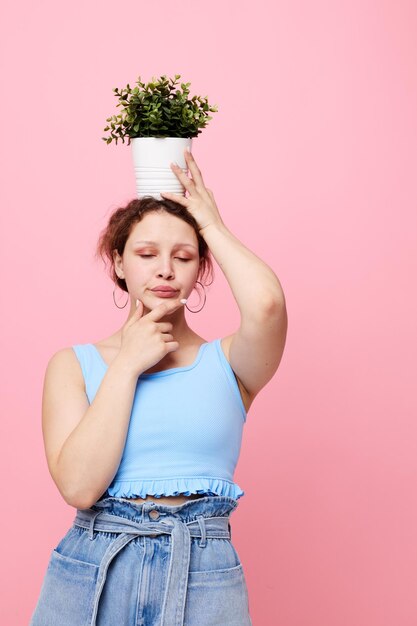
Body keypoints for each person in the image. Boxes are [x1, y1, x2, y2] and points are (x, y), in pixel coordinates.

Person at [30, 149, 288, 625]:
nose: (165, 270)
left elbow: (268, 305)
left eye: (184, 256)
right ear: (120, 264)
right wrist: (127, 365)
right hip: (95, 569)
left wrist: (211, 224)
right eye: (146, 254)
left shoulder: (228, 364)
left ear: (200, 269)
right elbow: (79, 486)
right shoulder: (73, 365)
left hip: (202, 567)